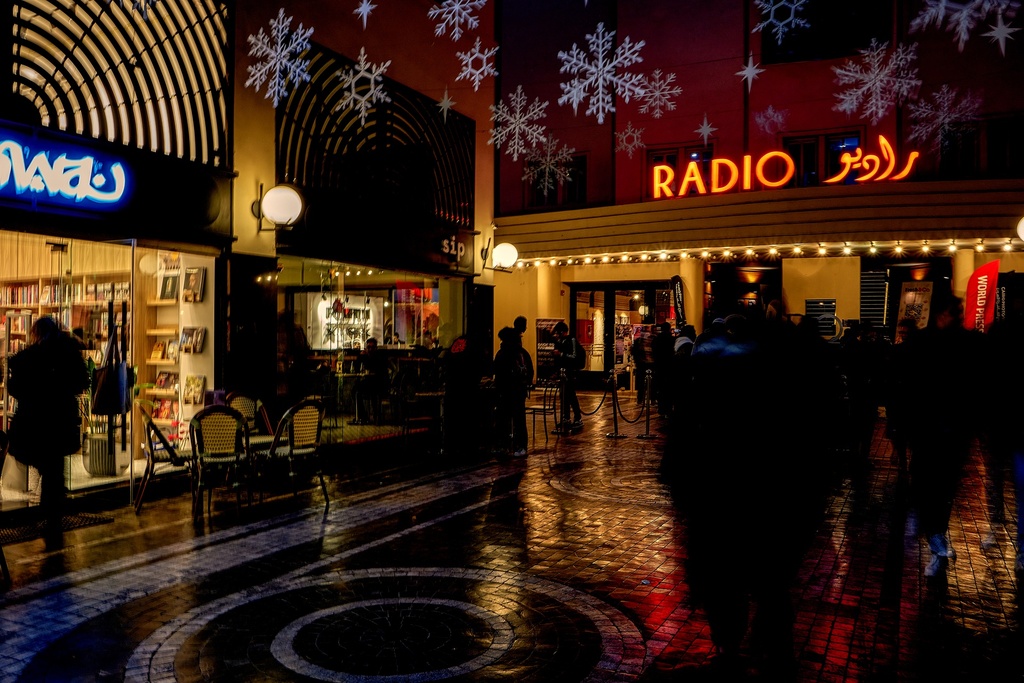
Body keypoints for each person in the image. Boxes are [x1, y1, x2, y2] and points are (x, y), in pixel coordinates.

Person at [899, 293, 981, 577]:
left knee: (932, 485)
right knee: (938, 486)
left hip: (934, 429)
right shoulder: (967, 343)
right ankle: (937, 536)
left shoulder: (922, 343)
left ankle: (936, 537)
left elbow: (907, 385)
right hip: (946, 429)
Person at [7, 317, 90, 545]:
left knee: (46, 465)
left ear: (36, 333)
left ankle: (49, 513)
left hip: (35, 422)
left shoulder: (28, 358)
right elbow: (82, 381)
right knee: (54, 467)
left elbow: (16, 387)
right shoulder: (67, 353)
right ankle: (52, 514)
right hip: (59, 420)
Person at [493, 326, 532, 456]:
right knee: (519, 419)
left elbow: (497, 370)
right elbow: (529, 372)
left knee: (504, 418)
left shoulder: (504, 353)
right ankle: (520, 446)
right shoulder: (522, 353)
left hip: (506, 389)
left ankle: (505, 445)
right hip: (518, 390)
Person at [551, 321, 583, 429]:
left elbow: (574, 356)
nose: (556, 335)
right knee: (563, 396)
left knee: (571, 395)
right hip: (562, 373)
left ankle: (577, 417)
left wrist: (561, 354)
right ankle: (566, 417)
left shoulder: (571, 340)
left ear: (563, 332)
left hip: (571, 372)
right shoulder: (560, 342)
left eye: (558, 332)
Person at [354, 337, 390, 424]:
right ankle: (363, 416)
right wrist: (360, 356)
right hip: (369, 382)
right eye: (368, 347)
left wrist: (366, 357)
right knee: (355, 390)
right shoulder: (365, 356)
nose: (370, 349)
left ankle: (376, 416)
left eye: (372, 347)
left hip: (380, 384)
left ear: (376, 348)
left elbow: (379, 370)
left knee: (373, 392)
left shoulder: (380, 357)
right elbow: (356, 367)